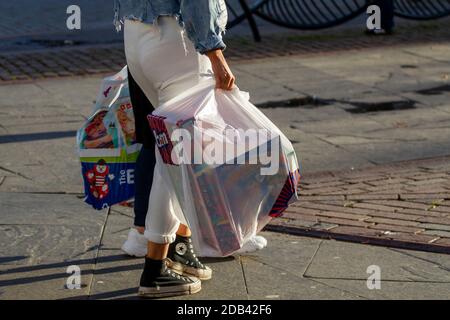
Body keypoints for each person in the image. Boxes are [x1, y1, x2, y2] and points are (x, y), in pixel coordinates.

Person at [114, 0, 266, 298]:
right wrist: (215, 54)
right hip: (177, 41)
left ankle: (180, 247)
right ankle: (156, 266)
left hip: (136, 33)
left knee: (173, 148)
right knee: (175, 155)